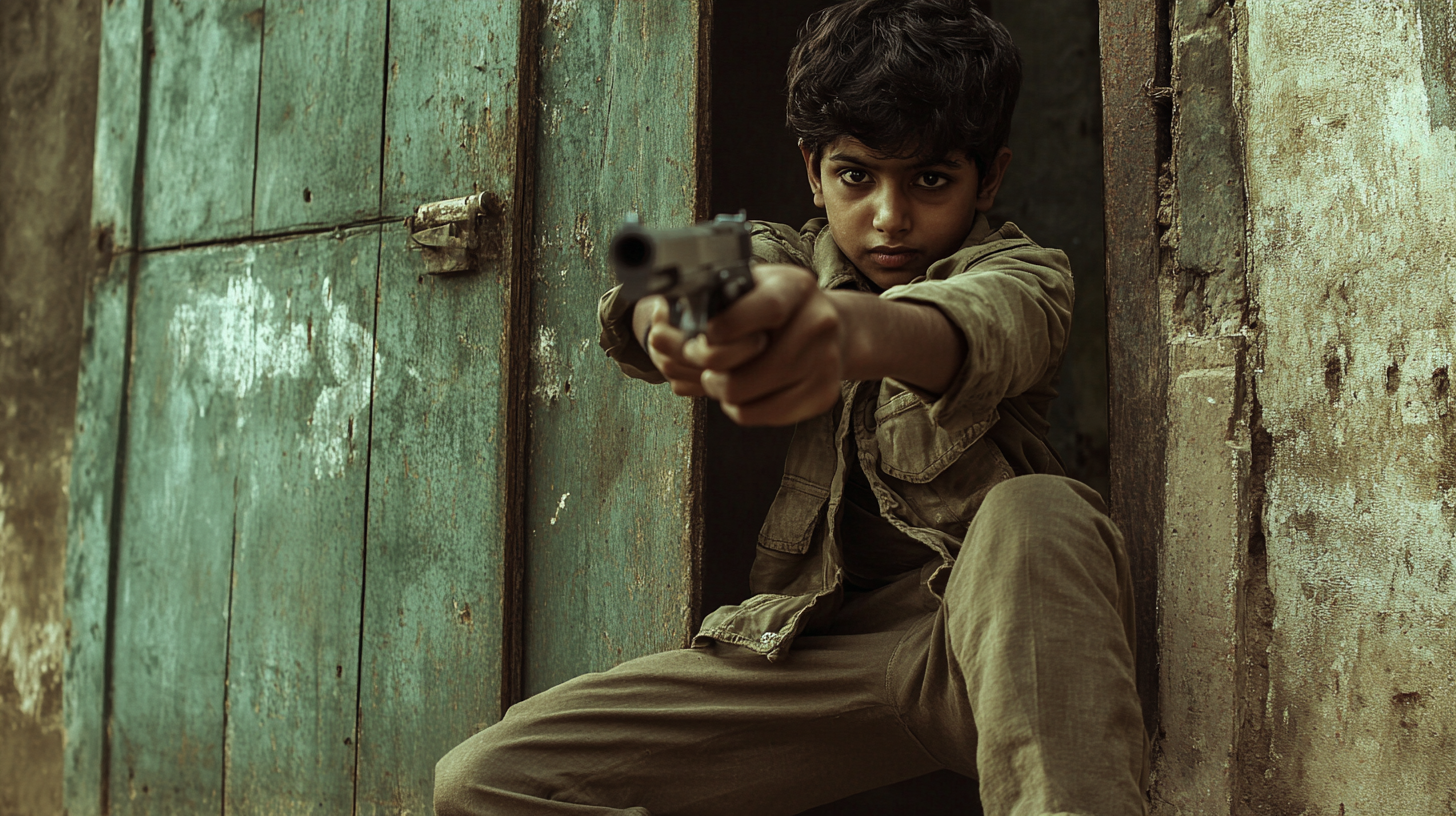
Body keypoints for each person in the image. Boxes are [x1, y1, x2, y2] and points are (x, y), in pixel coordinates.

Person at [434, 1, 1148, 813]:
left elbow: (979, 323)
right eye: (856, 176)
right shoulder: (785, 249)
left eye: (931, 179)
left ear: (989, 177)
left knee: (1038, 510)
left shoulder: (1030, 272)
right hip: (813, 655)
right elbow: (658, 271)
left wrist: (839, 330)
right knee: (484, 781)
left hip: (989, 647)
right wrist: (668, 318)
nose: (889, 216)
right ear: (813, 171)